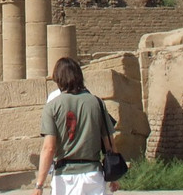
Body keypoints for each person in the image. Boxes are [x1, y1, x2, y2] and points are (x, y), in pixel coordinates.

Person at [33, 57, 120, 195]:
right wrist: (113, 176)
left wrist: (39, 184)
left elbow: (49, 148)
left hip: (65, 177)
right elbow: (109, 143)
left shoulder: (52, 107)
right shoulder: (96, 103)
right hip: (93, 174)